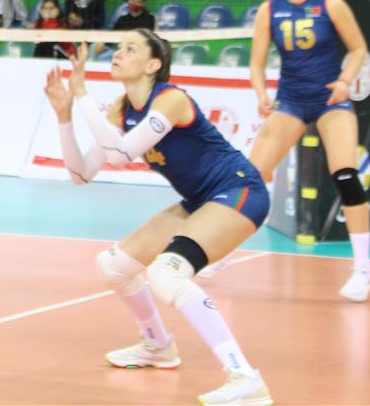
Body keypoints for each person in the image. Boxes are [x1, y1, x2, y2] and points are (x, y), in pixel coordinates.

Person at [43, 38, 273, 406]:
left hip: (239, 191)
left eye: (131, 49)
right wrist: (64, 116)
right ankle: (158, 345)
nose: (119, 53)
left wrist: (82, 93)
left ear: (153, 65)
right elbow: (80, 173)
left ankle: (244, 377)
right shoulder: (121, 109)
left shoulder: (171, 99)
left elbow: (122, 153)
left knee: (166, 272)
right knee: (113, 266)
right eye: (119, 47)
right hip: (198, 201)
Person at [249, 0, 370, 302]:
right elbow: (257, 62)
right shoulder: (269, 9)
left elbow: (359, 48)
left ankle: (363, 268)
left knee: (346, 175)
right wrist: (261, 93)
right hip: (291, 99)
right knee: (249, 178)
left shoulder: (330, 4)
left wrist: (345, 81)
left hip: (330, 98)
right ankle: (222, 252)